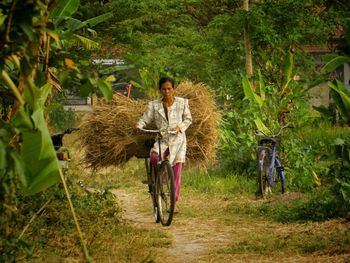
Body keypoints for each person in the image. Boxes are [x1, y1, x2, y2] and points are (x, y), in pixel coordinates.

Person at [137, 77, 192, 204]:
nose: (167, 92)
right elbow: (146, 118)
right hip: (163, 139)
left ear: (173, 89)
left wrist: (180, 127)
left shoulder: (182, 103)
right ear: (160, 90)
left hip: (178, 140)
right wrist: (140, 125)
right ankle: (159, 178)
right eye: (164, 89)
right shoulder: (154, 105)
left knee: (177, 169)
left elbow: (188, 119)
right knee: (154, 157)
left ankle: (174, 199)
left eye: (169, 89)